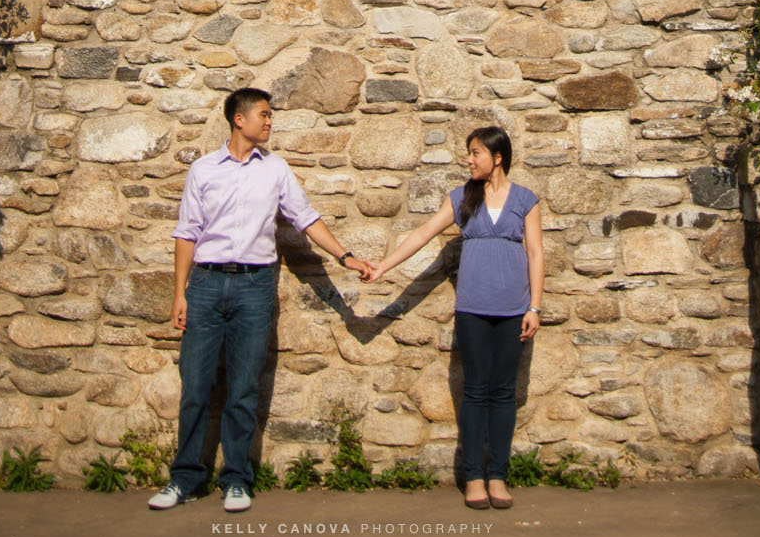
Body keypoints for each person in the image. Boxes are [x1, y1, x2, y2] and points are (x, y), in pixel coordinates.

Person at [149, 86, 373, 513]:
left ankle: (237, 480)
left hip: (254, 287)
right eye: (264, 115)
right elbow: (187, 232)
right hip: (207, 285)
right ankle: (185, 479)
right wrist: (179, 293)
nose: (270, 122)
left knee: (243, 388)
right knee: (195, 386)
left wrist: (345, 255)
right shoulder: (203, 170)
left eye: (270, 116)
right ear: (240, 119)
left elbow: (306, 218)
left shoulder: (276, 170)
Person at [367, 125, 544, 511]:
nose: (469, 159)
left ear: (497, 157)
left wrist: (535, 307)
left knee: (503, 394)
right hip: (472, 311)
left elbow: (535, 254)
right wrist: (384, 266)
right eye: (469, 153)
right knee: (476, 391)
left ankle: (498, 474)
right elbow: (424, 233)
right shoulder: (463, 197)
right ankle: (474, 478)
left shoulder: (526, 200)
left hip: (514, 311)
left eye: (476, 153)